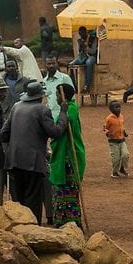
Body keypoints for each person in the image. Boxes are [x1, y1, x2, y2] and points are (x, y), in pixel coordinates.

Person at [1, 81, 69, 224]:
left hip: (13, 160)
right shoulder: (42, 109)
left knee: (18, 200)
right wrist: (63, 114)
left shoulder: (16, 107)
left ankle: (18, 229)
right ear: (40, 97)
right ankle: (32, 230)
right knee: (33, 199)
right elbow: (55, 132)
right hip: (32, 162)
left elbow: (3, 134)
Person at [50, 83, 86, 228]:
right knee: (63, 191)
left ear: (63, 96)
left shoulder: (70, 109)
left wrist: (63, 112)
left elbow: (61, 126)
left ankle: (71, 222)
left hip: (69, 157)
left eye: (58, 94)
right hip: (63, 155)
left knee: (67, 190)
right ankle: (63, 221)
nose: (56, 97)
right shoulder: (67, 108)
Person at [42, 55, 74, 120]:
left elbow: (72, 98)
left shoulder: (65, 78)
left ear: (57, 64)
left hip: (63, 115)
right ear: (45, 65)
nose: (51, 66)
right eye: (49, 64)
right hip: (51, 117)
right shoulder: (44, 81)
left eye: (53, 63)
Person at [103, 101, 130, 178]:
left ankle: (122, 168)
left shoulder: (121, 116)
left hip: (122, 140)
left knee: (126, 155)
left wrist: (124, 133)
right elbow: (105, 128)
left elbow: (122, 126)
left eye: (119, 107)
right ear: (111, 109)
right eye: (116, 107)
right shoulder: (109, 119)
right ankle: (115, 172)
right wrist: (108, 133)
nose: (118, 109)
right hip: (113, 141)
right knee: (116, 158)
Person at [69, 27, 98, 92]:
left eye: (82, 34)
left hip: (92, 56)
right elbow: (79, 53)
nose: (81, 35)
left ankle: (87, 85)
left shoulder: (93, 39)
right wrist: (80, 46)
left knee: (89, 62)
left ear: (86, 32)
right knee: (70, 64)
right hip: (83, 56)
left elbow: (93, 51)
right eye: (79, 34)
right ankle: (74, 85)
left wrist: (85, 46)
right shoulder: (80, 40)